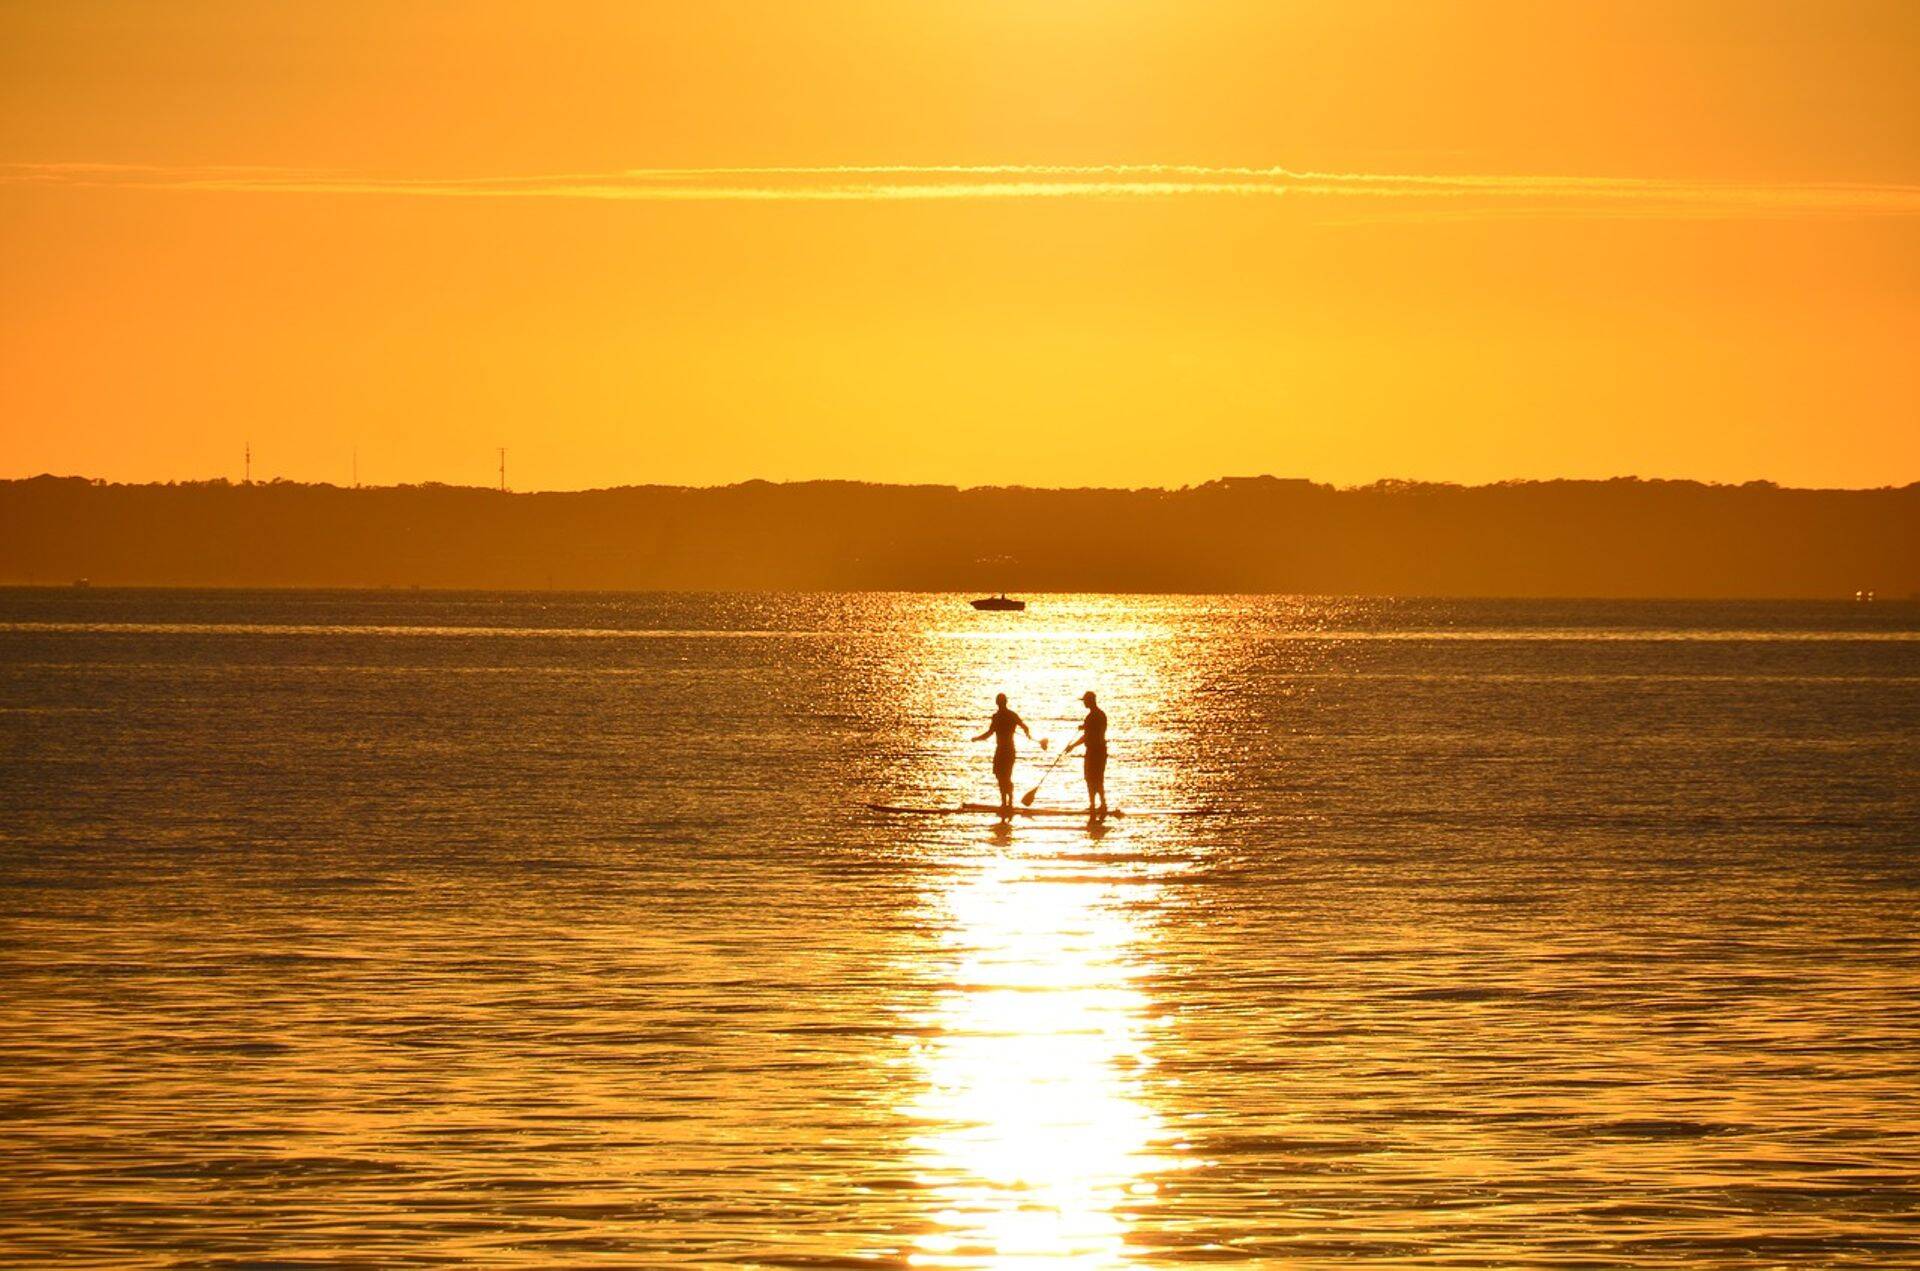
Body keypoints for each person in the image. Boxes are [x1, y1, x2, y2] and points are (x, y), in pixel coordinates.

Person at [972, 692, 1033, 817]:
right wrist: (1027, 733)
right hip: (1009, 750)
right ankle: (1008, 803)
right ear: (1006, 702)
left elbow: (989, 733)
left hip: (1002, 751)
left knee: (1001, 777)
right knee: (1006, 776)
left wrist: (977, 738)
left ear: (997, 703)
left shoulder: (997, 717)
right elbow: (1025, 727)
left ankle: (1005, 804)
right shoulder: (1012, 715)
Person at [1063, 690, 1108, 818]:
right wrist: (1085, 726)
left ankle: (1093, 805)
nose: (1084, 703)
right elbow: (1097, 730)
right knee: (1098, 778)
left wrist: (1072, 746)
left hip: (1093, 752)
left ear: (1090, 701)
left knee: (1090, 778)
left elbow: (1087, 736)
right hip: (1101, 751)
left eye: (1085, 701)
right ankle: (1102, 804)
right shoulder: (1101, 715)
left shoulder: (1091, 717)